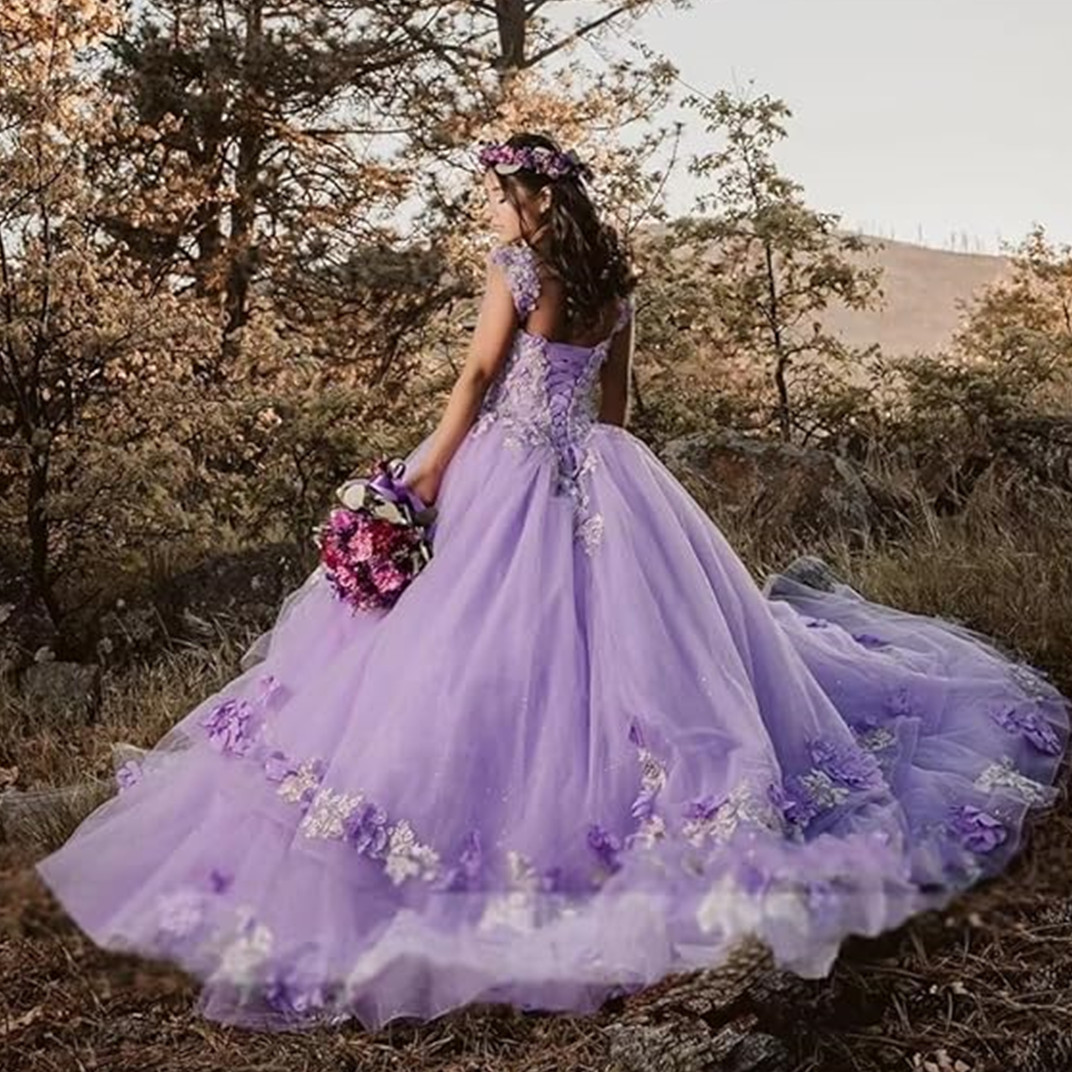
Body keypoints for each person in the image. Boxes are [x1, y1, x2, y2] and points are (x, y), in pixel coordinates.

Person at [36, 132, 1069, 1033]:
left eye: (495, 190)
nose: (490, 206)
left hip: (510, 466)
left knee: (474, 653)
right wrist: (595, 495)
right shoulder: (614, 281)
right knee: (633, 648)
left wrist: (431, 473)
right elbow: (615, 413)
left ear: (528, 197)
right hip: (606, 473)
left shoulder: (516, 267)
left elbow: (477, 378)